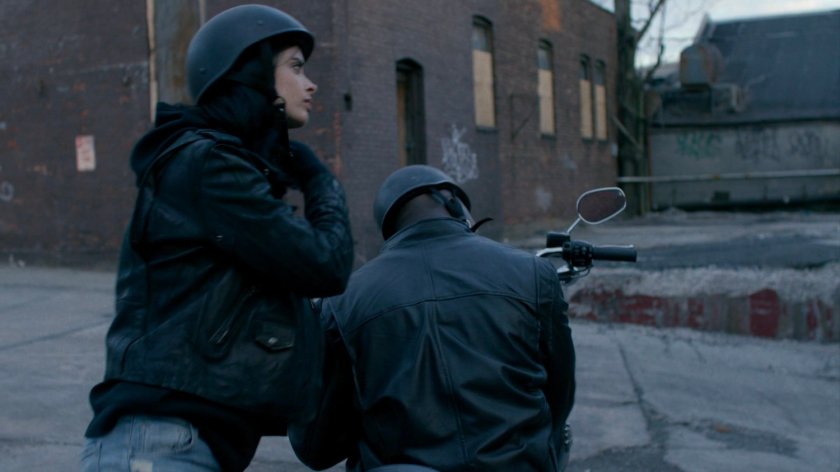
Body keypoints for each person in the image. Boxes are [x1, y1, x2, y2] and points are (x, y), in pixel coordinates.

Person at [80, 4, 354, 471]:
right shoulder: (210, 166)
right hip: (161, 444)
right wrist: (320, 181)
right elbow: (324, 264)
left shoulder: (223, 168)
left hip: (184, 445)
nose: (310, 85)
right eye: (295, 66)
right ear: (248, 71)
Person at [290, 165, 575, 471]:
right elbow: (560, 395)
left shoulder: (343, 302)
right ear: (452, 201)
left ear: (390, 226)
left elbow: (316, 446)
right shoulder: (533, 274)